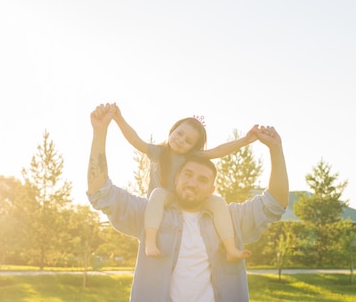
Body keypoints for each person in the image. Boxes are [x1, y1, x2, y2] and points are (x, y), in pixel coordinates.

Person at [87, 103, 289, 302]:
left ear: (212, 188)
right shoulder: (151, 215)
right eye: (187, 175)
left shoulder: (226, 220)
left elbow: (274, 204)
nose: (193, 182)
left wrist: (275, 150)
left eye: (203, 178)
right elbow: (101, 192)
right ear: (176, 177)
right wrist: (100, 132)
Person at [110, 104, 260, 261]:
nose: (181, 140)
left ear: (193, 147)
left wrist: (245, 141)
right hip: (161, 200)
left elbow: (218, 151)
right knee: (159, 193)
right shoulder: (158, 152)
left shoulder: (191, 157)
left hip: (186, 198)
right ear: (172, 130)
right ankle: (150, 241)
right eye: (179, 134)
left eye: (188, 141)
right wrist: (119, 119)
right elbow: (135, 140)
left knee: (217, 202)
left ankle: (230, 249)